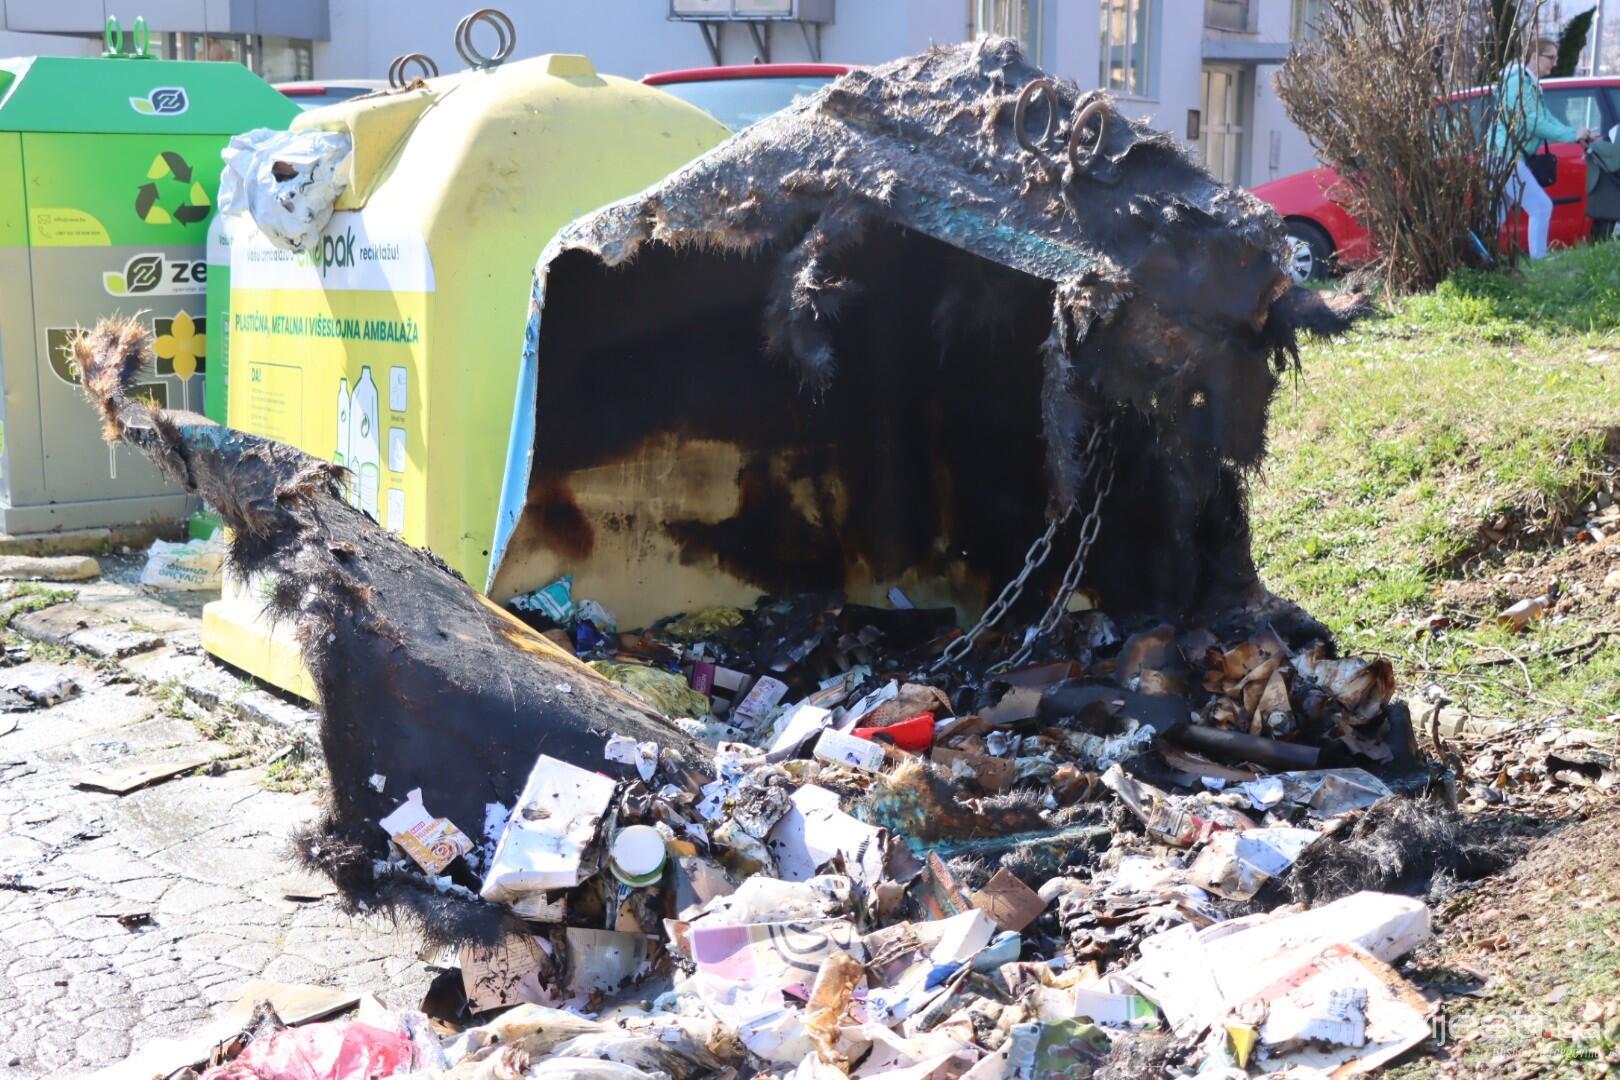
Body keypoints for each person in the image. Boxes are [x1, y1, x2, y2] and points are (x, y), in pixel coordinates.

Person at [1489, 37, 1595, 259]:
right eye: (1551, 58)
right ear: (1536, 57)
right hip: (1505, 158)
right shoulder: (1517, 84)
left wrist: (1575, 135)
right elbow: (1534, 122)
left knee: (1495, 216)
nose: (1554, 63)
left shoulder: (1529, 84)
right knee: (1541, 207)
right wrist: (1571, 135)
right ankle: (1540, 265)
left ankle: (1474, 260)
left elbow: (1547, 117)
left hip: (1506, 157)